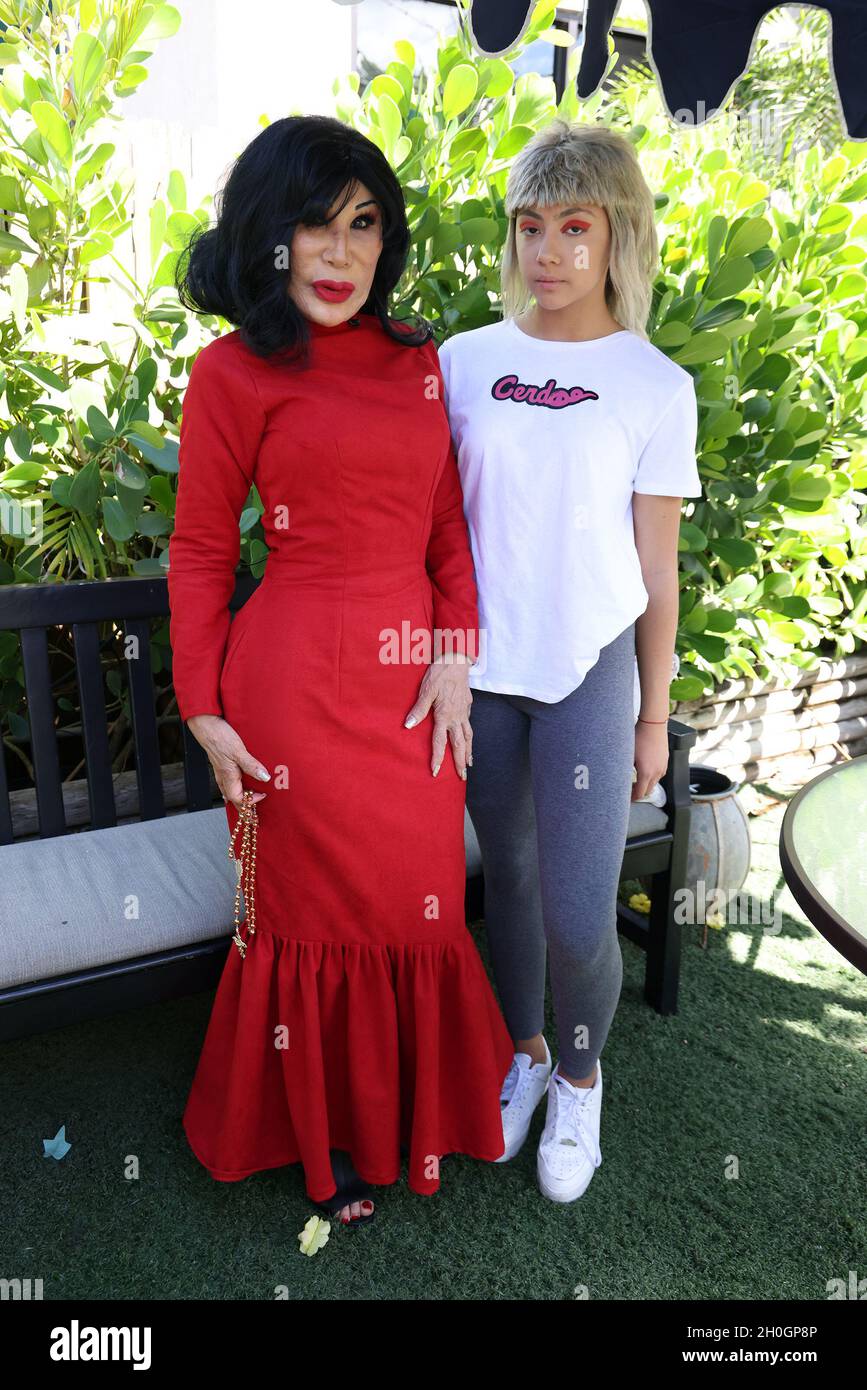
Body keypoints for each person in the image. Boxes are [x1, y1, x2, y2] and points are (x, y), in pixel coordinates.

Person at [168, 114, 514, 1229]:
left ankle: (409, 1116)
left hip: (411, 695)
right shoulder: (231, 373)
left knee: (416, 916)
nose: (339, 251)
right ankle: (325, 1148)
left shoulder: (417, 361)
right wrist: (202, 706)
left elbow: (448, 533)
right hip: (288, 705)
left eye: (364, 224)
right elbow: (204, 551)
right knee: (301, 922)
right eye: (313, 224)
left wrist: (456, 656)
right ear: (267, 236)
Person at [438, 120, 703, 1203]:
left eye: (575, 226)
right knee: (506, 883)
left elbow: (658, 567)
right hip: (486, 672)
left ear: (615, 236)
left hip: (591, 671)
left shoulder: (654, 385)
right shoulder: (463, 362)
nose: (548, 251)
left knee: (578, 910)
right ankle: (529, 1056)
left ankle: (582, 1078)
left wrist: (653, 714)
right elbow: (434, 526)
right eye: (530, 225)